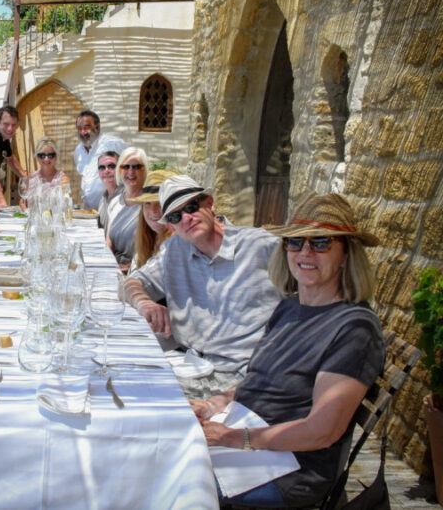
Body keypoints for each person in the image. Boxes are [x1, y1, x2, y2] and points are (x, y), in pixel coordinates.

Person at [191, 192, 385, 508]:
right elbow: (261, 378)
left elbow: (321, 430)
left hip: (288, 469)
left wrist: (229, 438)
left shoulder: (354, 328)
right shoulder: (289, 307)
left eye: (320, 242)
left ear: (346, 254)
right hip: (246, 437)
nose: (305, 251)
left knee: (165, 477)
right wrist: (214, 403)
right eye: (295, 242)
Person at [124, 174, 281, 396]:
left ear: (210, 203)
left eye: (192, 207)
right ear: (171, 225)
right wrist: (144, 303)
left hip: (243, 377)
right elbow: (130, 282)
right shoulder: (174, 250)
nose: (186, 218)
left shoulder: (259, 245)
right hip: (190, 366)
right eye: (176, 216)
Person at [105, 147, 148, 272]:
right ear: (119, 170)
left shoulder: (149, 204)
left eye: (136, 167)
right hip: (114, 267)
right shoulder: (115, 202)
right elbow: (109, 241)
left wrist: (128, 269)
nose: (131, 171)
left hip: (138, 270)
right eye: (126, 167)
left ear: (144, 170)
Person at [73, 110, 126, 209]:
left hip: (112, 208)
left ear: (97, 127)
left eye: (86, 127)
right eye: (79, 128)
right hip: (89, 211)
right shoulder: (78, 151)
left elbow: (127, 170)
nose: (82, 132)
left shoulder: (113, 144)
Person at [128, 169, 177, 272]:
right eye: (147, 203)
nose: (153, 210)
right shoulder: (149, 237)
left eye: (159, 203)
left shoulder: (175, 245)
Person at [96, 150, 120, 229]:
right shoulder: (103, 198)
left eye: (111, 166)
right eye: (102, 167)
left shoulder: (126, 198)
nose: (106, 171)